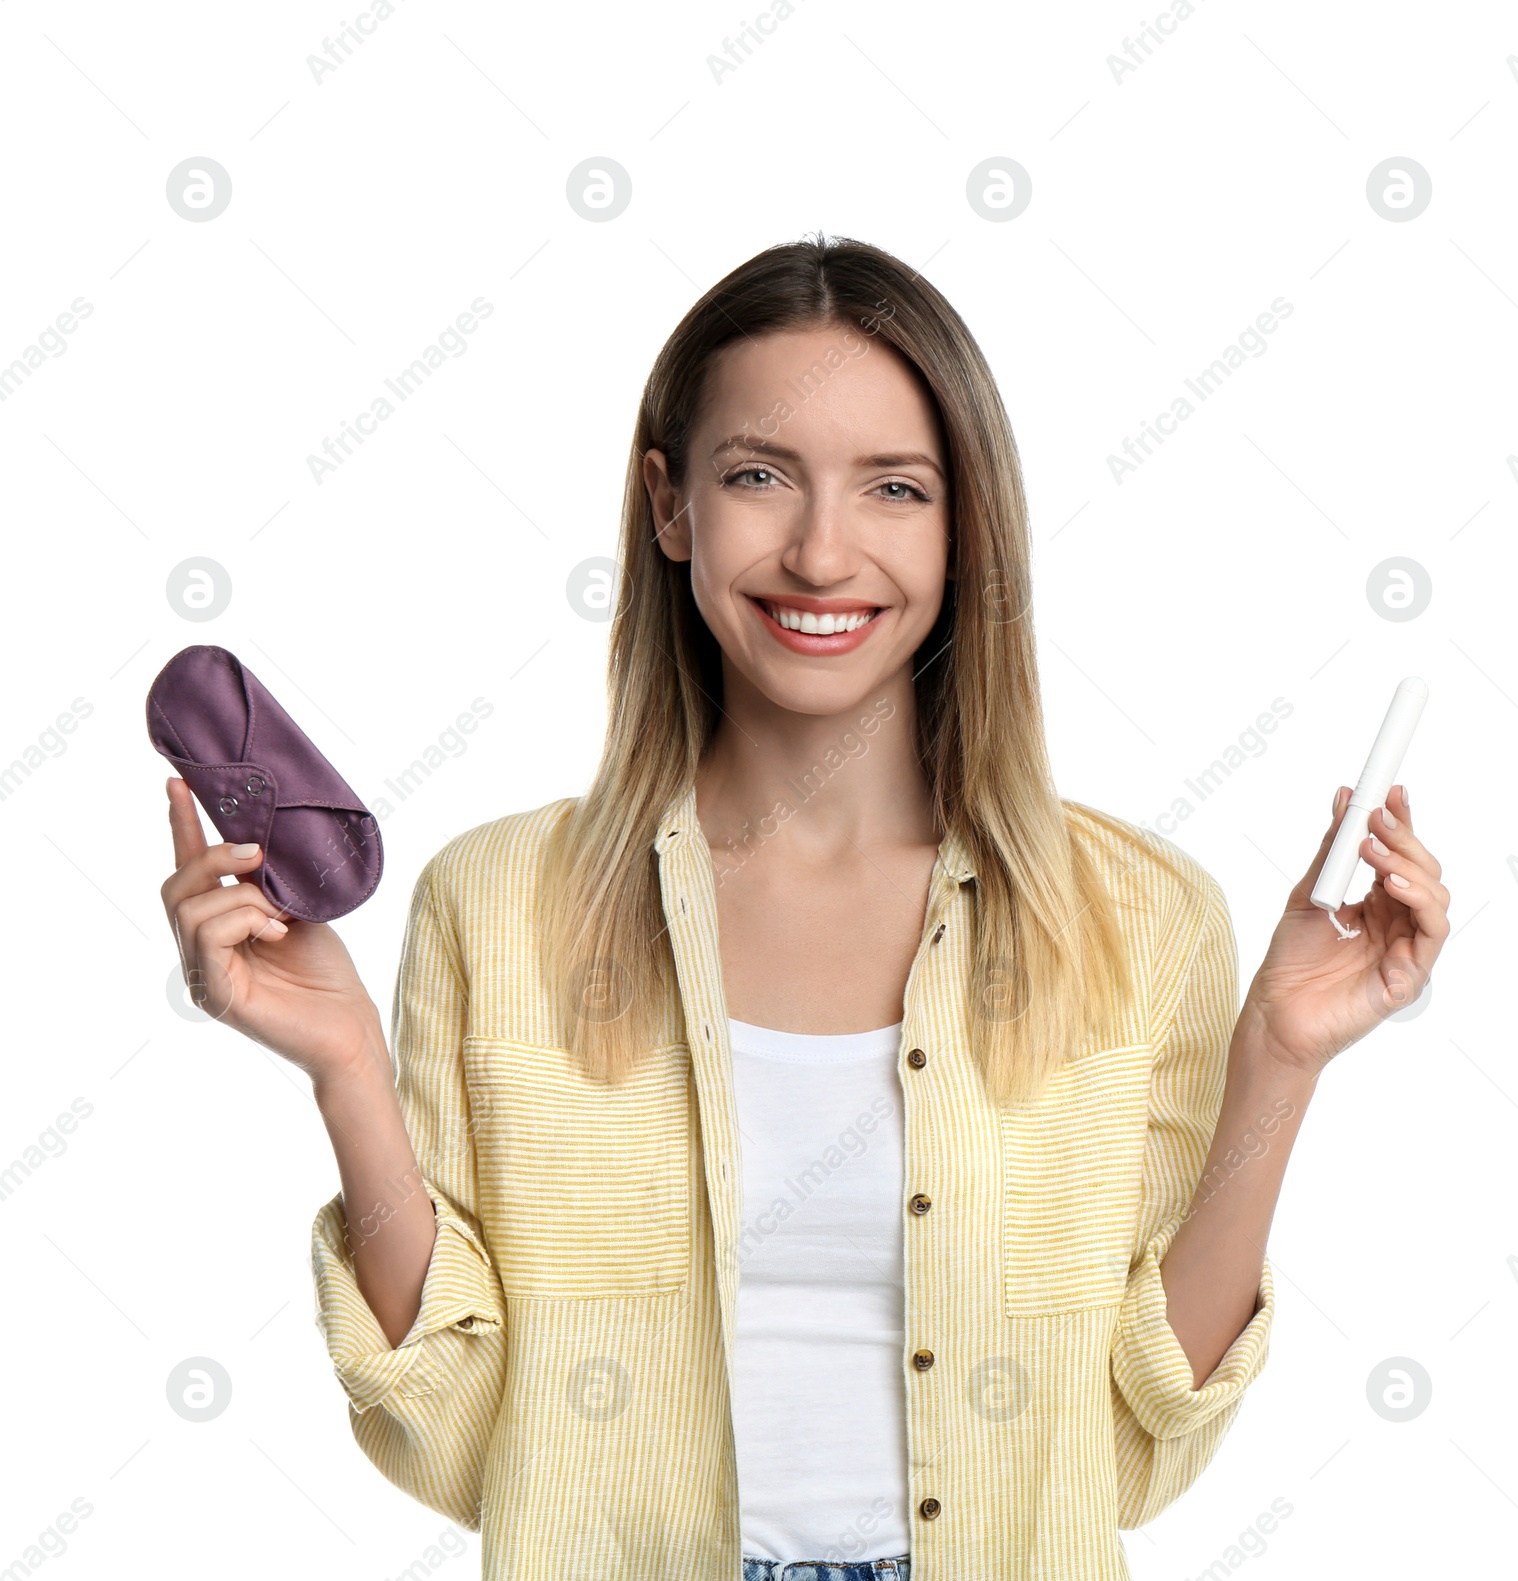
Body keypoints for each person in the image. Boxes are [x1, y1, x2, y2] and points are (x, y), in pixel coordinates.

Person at [158, 234, 1450, 1581]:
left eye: (895, 487)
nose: (822, 553)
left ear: (966, 529)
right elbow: (456, 1440)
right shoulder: (495, 905)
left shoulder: (1141, 915)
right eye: (759, 476)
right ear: (672, 507)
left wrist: (1282, 1060)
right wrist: (346, 1067)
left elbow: (1137, 1443)